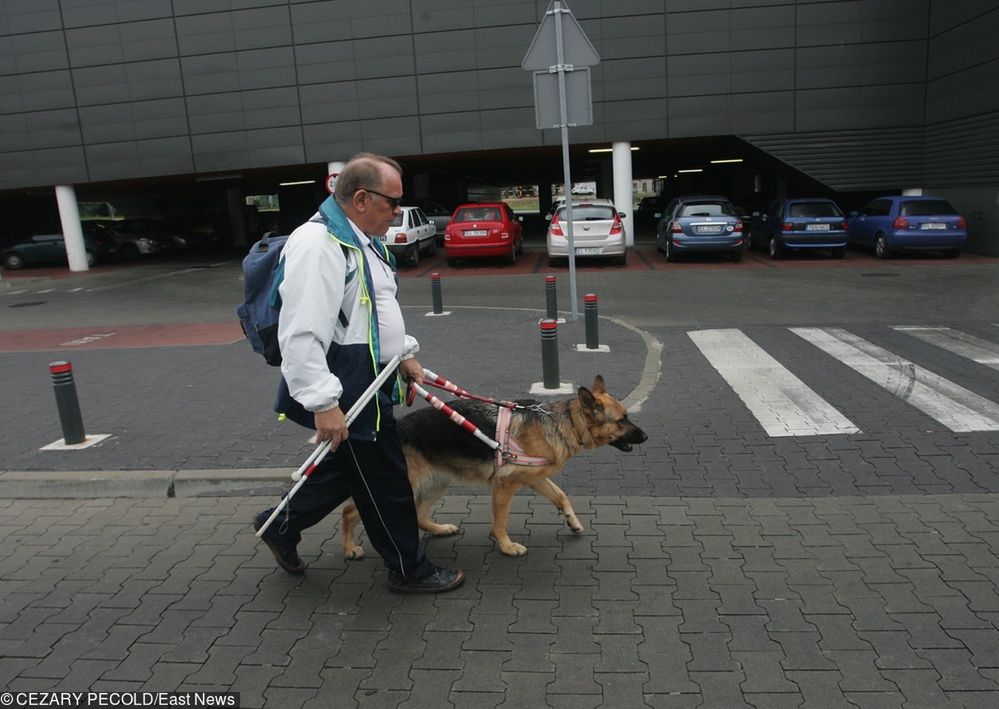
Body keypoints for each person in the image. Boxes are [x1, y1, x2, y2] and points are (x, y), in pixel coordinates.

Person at [253, 153, 464, 594]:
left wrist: (403, 356)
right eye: (393, 202)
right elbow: (301, 333)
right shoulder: (319, 245)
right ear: (362, 198)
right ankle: (409, 569)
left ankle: (279, 526)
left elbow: (376, 306)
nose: (398, 212)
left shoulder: (362, 238)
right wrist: (324, 403)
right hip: (346, 384)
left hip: (371, 376)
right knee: (386, 479)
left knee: (352, 468)